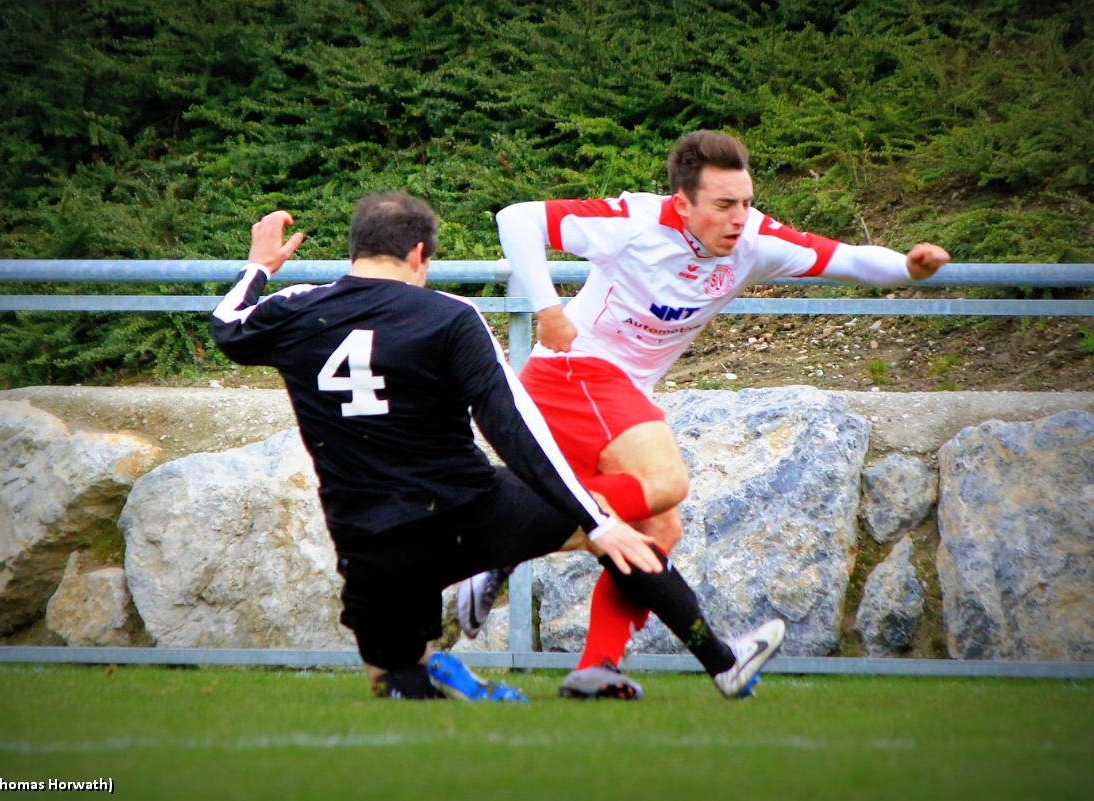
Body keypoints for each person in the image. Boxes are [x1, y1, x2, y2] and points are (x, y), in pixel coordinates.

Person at [209, 192, 779, 701]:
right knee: (616, 530)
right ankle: (722, 661)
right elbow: (514, 428)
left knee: (393, 679)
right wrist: (595, 519)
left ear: (355, 249)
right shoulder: (450, 316)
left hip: (370, 543)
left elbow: (226, 326)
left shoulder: (294, 310)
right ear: (419, 254)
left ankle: (428, 678)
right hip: (469, 514)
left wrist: (259, 266)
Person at [460, 130, 950, 699]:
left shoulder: (755, 240)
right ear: (682, 203)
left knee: (658, 527)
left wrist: (908, 267)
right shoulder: (636, 223)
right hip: (573, 374)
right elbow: (517, 218)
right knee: (665, 482)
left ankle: (594, 664)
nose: (739, 218)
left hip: (613, 393)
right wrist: (547, 309)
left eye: (745, 202)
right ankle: (500, 541)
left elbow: (848, 259)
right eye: (723, 205)